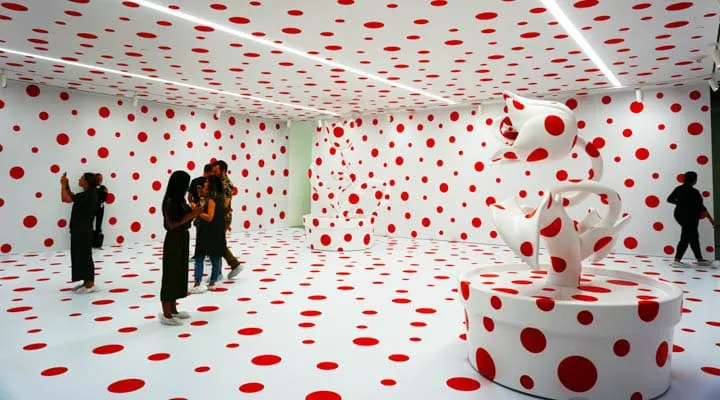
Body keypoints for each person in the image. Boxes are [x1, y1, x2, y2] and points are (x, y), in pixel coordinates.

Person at [160, 171, 201, 326]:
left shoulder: (180, 200)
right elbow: (171, 225)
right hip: (174, 238)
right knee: (171, 273)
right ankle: (166, 313)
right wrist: (192, 215)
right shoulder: (170, 201)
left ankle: (173, 309)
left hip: (182, 238)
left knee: (179, 272)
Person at [667, 171, 715, 266]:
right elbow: (702, 208)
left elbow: (669, 199)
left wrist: (679, 203)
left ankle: (699, 259)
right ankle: (676, 261)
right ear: (694, 180)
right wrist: (711, 221)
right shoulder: (694, 192)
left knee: (693, 236)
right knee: (686, 237)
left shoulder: (679, 188)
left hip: (679, 215)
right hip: (690, 217)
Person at [61, 172, 99, 294]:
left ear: (86, 181)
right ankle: (86, 281)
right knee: (80, 255)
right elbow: (72, 196)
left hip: (83, 230)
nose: (79, 179)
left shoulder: (88, 195)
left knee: (84, 255)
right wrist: (66, 185)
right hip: (82, 229)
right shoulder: (88, 194)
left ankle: (90, 284)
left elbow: (65, 199)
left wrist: (62, 185)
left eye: (82, 178)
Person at [190, 175, 226, 293]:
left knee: (200, 257)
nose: (204, 183)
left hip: (207, 232)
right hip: (216, 232)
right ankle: (212, 282)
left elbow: (209, 217)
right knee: (215, 257)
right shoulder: (219, 198)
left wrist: (197, 211)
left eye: (206, 182)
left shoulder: (210, 200)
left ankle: (198, 283)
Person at [213, 160, 243, 279]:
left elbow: (224, 204)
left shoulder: (226, 185)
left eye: (216, 171)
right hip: (220, 216)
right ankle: (220, 270)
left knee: (217, 241)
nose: (214, 173)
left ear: (223, 171)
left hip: (222, 217)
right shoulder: (219, 183)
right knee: (217, 241)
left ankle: (233, 264)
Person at [93, 173, 108, 248]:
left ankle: (98, 243)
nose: (100, 180)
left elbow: (104, 198)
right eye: (98, 178)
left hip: (100, 208)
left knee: (98, 225)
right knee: (89, 224)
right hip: (92, 207)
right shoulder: (92, 187)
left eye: (101, 178)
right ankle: (90, 242)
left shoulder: (103, 188)